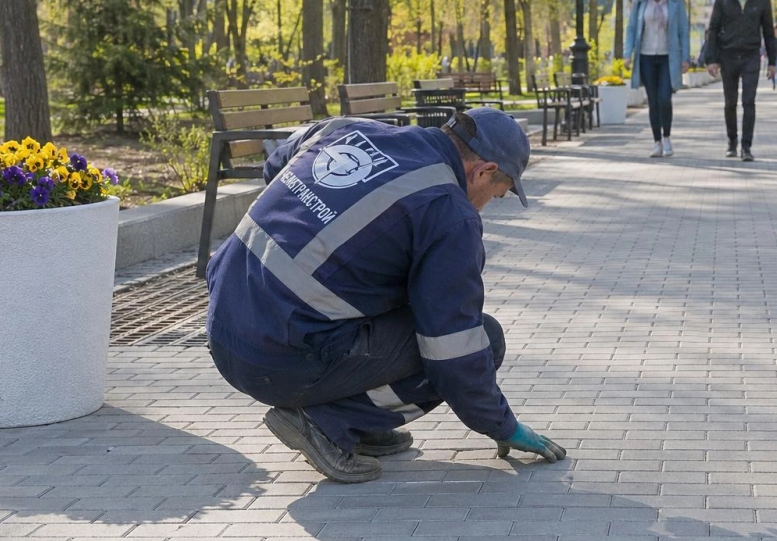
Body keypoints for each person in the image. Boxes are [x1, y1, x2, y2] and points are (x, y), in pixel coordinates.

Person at [205, 108, 566, 483]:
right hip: (274, 360)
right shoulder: (448, 212)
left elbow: (278, 162)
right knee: (484, 341)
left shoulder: (349, 128)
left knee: (398, 295)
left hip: (221, 325)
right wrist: (501, 424)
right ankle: (328, 423)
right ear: (483, 171)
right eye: (498, 194)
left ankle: (362, 422)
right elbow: (454, 348)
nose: (489, 203)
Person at [706, 0, 777, 162]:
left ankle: (746, 147)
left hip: (751, 56)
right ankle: (732, 142)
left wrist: (772, 62)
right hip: (728, 55)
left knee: (748, 102)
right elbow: (713, 29)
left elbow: (768, 32)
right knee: (730, 103)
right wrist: (712, 59)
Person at [625, 0, 691, 158]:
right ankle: (656, 142)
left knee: (665, 98)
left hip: (667, 58)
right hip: (645, 57)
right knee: (653, 101)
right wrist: (628, 53)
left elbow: (683, 31)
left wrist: (685, 58)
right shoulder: (640, 1)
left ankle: (668, 138)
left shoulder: (676, 1)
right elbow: (630, 29)